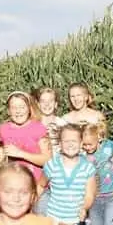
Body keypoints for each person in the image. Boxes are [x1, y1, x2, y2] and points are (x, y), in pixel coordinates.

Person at [0, 91, 51, 190]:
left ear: (29, 109)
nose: (18, 111)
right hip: (13, 183)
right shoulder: (4, 129)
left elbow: (47, 160)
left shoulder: (39, 128)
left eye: (22, 107)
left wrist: (20, 153)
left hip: (37, 185)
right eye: (14, 108)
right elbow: (2, 150)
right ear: (8, 111)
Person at [31, 87, 67, 215]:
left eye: (50, 101)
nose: (47, 105)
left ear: (56, 104)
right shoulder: (33, 124)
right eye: (43, 101)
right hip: (38, 169)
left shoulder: (62, 123)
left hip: (59, 171)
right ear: (37, 104)